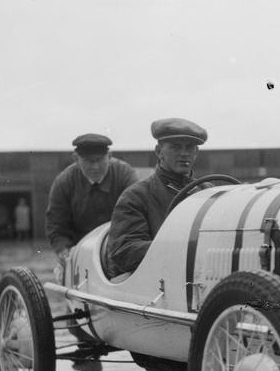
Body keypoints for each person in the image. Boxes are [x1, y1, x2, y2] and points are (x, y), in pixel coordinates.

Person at [106, 118, 208, 278]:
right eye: (175, 147)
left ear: (196, 153)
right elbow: (123, 251)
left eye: (189, 147)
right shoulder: (135, 196)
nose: (183, 153)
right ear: (158, 151)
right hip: (155, 286)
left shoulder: (208, 194)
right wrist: (180, 249)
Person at [45, 133, 138, 272]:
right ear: (76, 159)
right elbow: (56, 225)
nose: (95, 167)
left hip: (118, 248)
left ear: (110, 156)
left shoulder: (126, 175)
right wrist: (63, 250)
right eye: (89, 161)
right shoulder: (63, 182)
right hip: (79, 252)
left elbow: (136, 216)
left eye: (100, 160)